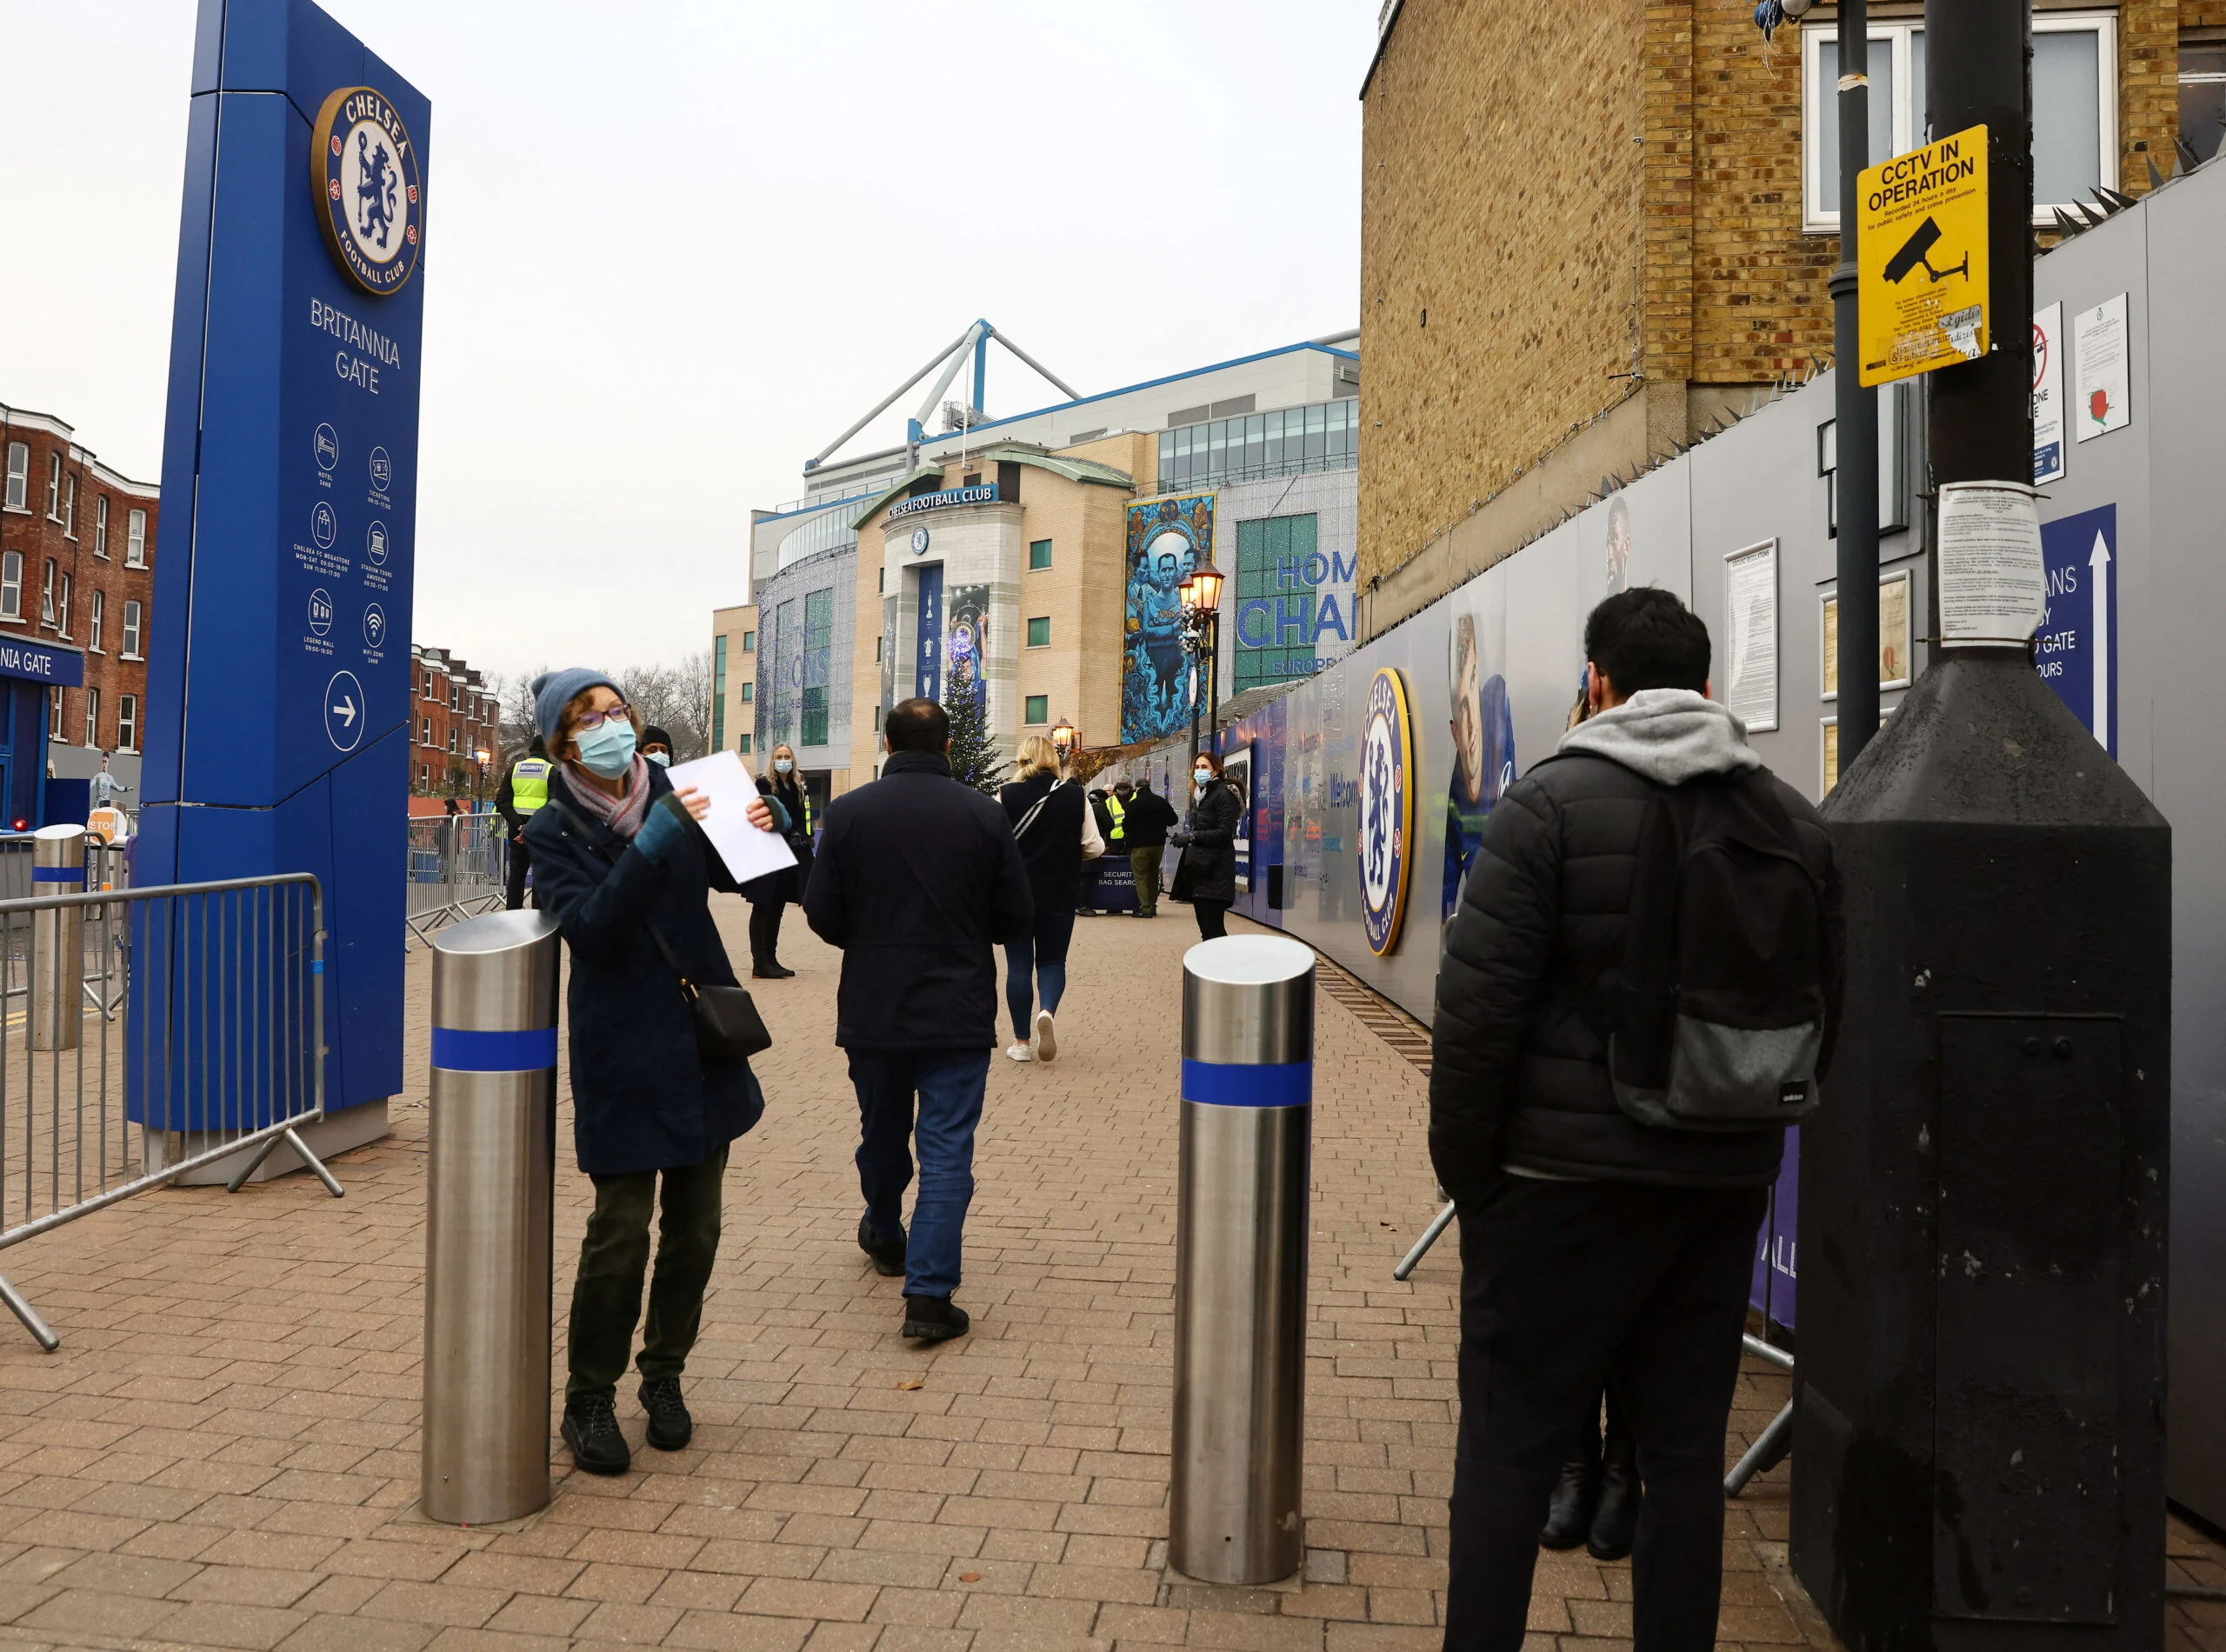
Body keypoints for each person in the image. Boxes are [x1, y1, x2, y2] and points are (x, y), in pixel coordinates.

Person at [1430, 589, 1841, 1649]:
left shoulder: (1548, 806)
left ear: (1596, 683)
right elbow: (1827, 1008)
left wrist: (1471, 1177)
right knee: (1684, 1459)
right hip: (1714, 1192)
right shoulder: (1792, 818)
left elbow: (1477, 1017)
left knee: (1509, 1451)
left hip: (1553, 1190)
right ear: (1707, 688)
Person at [522, 668, 789, 1477]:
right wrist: (656, 838)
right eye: (590, 716)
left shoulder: (679, 786)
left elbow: (747, 875)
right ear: (563, 741)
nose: (613, 723)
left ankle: (664, 1376)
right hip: (624, 1046)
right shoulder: (552, 828)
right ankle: (589, 1394)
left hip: (698, 1036)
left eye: (617, 708)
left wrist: (771, 827)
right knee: (620, 1231)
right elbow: (595, 930)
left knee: (696, 1229)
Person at [804, 698, 1032, 1342]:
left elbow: (820, 912)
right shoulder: (984, 815)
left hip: (874, 1003)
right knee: (947, 1147)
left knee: (880, 1129)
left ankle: (882, 1227)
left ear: (885, 742)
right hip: (956, 1005)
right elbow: (1015, 914)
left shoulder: (847, 813)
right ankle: (929, 1295)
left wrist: (870, 937)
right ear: (949, 746)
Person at [998, 736, 1103, 1063]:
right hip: (1059, 891)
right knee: (1053, 961)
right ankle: (1047, 1011)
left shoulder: (1003, 794)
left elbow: (992, 845)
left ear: (1022, 759)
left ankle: (1021, 1042)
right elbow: (1095, 846)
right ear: (1052, 759)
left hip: (1014, 893)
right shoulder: (1075, 795)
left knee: (1018, 965)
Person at [743, 745, 813, 979]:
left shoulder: (796, 786)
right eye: (779, 757)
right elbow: (761, 815)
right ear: (772, 760)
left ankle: (771, 959)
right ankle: (758, 963)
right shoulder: (764, 784)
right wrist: (787, 832)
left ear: (793, 760)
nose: (783, 760)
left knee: (778, 907)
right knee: (762, 906)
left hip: (788, 853)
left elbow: (801, 816)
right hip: (766, 852)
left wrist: (804, 836)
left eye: (787, 757)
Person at [1169, 750, 1242, 940]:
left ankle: (1224, 967)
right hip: (1202, 868)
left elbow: (1224, 832)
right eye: (1196, 768)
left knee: (1213, 930)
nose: (1199, 771)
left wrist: (1192, 837)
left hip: (1216, 869)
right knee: (1207, 930)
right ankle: (1214, 966)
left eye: (1204, 767)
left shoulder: (1224, 794)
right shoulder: (1202, 796)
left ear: (1216, 771)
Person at [494, 737, 553, 910]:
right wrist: (532, 827)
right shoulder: (552, 771)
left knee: (516, 877)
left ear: (530, 750)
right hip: (542, 834)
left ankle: (513, 919)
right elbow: (555, 804)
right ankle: (538, 922)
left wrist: (520, 825)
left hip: (516, 833)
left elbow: (502, 800)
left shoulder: (515, 769)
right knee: (541, 878)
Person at [1119, 777, 1176, 918]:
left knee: (1140, 877)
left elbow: (1126, 826)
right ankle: (1152, 905)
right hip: (1158, 845)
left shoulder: (1134, 804)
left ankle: (1145, 908)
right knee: (1153, 874)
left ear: (1137, 789)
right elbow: (1173, 819)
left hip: (1140, 846)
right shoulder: (1161, 802)